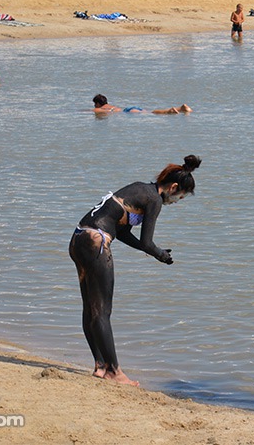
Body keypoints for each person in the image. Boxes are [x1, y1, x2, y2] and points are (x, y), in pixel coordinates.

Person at [69, 155, 200, 385]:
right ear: (174, 187)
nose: (177, 202)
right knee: (102, 311)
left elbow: (123, 232)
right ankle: (114, 372)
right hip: (96, 242)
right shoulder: (154, 200)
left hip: (79, 237)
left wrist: (149, 250)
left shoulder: (140, 189)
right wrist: (160, 254)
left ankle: (100, 366)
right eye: (180, 197)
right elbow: (148, 242)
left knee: (90, 308)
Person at [92, 94, 191, 115]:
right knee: (150, 112)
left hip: (128, 111)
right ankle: (181, 108)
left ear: (97, 103)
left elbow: (92, 111)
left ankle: (170, 111)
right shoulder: (110, 106)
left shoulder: (99, 109)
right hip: (129, 108)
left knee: (151, 113)